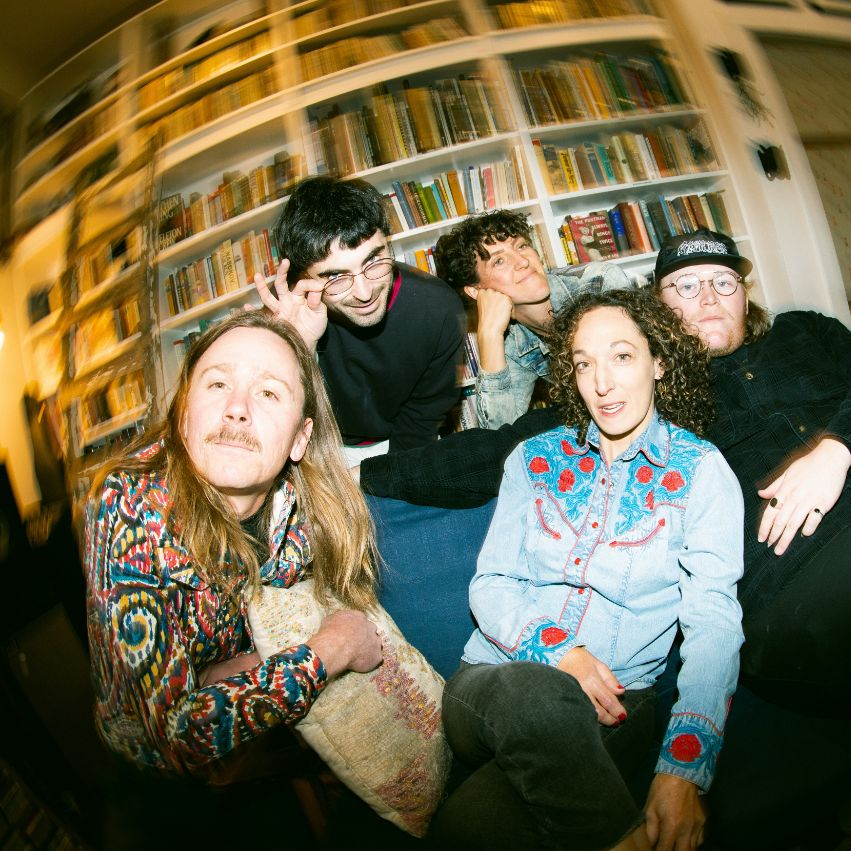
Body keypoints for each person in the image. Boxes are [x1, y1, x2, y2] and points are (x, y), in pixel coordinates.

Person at [431, 289, 744, 851]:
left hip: (616, 703)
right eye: (583, 363)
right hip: (492, 683)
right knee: (540, 692)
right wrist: (562, 654)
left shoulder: (702, 472)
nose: (601, 383)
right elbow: (492, 583)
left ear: (659, 362)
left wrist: (683, 770)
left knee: (467, 826)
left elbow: (713, 622)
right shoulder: (533, 459)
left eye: (622, 357)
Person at [85, 310, 383, 781]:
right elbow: (172, 736)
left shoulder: (305, 503)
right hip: (156, 784)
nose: (237, 408)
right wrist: (330, 651)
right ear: (184, 414)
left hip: (275, 730)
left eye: (268, 393)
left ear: (300, 439)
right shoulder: (128, 503)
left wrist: (250, 665)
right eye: (218, 384)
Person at [256, 175, 465, 464]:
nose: (365, 293)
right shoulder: (285, 312)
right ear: (302, 278)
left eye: (374, 261)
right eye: (336, 277)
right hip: (317, 443)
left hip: (402, 442)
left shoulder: (439, 308)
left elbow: (422, 419)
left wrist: (382, 477)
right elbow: (272, 419)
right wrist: (296, 346)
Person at [432, 208, 634, 429]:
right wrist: (489, 335)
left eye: (521, 246)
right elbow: (499, 431)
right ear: (476, 291)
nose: (522, 261)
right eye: (499, 261)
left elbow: (629, 380)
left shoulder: (599, 284)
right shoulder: (511, 342)